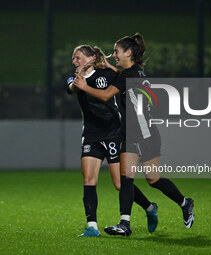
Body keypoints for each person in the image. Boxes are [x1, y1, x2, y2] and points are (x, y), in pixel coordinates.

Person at [74, 34, 194, 237]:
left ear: (128, 52)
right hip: (129, 133)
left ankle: (185, 202)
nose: (113, 56)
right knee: (126, 179)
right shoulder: (133, 73)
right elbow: (119, 74)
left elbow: (105, 95)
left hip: (145, 133)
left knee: (153, 179)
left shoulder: (128, 76)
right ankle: (125, 224)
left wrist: (85, 87)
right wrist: (109, 67)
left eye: (116, 52)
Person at [67, 44, 159, 237]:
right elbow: (72, 88)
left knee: (119, 183)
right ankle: (92, 226)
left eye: (78, 57)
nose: (74, 61)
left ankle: (149, 207)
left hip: (114, 134)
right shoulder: (76, 78)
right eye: (73, 59)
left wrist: (108, 66)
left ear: (90, 58)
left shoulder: (106, 74)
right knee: (89, 180)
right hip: (91, 136)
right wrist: (80, 75)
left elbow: (124, 79)